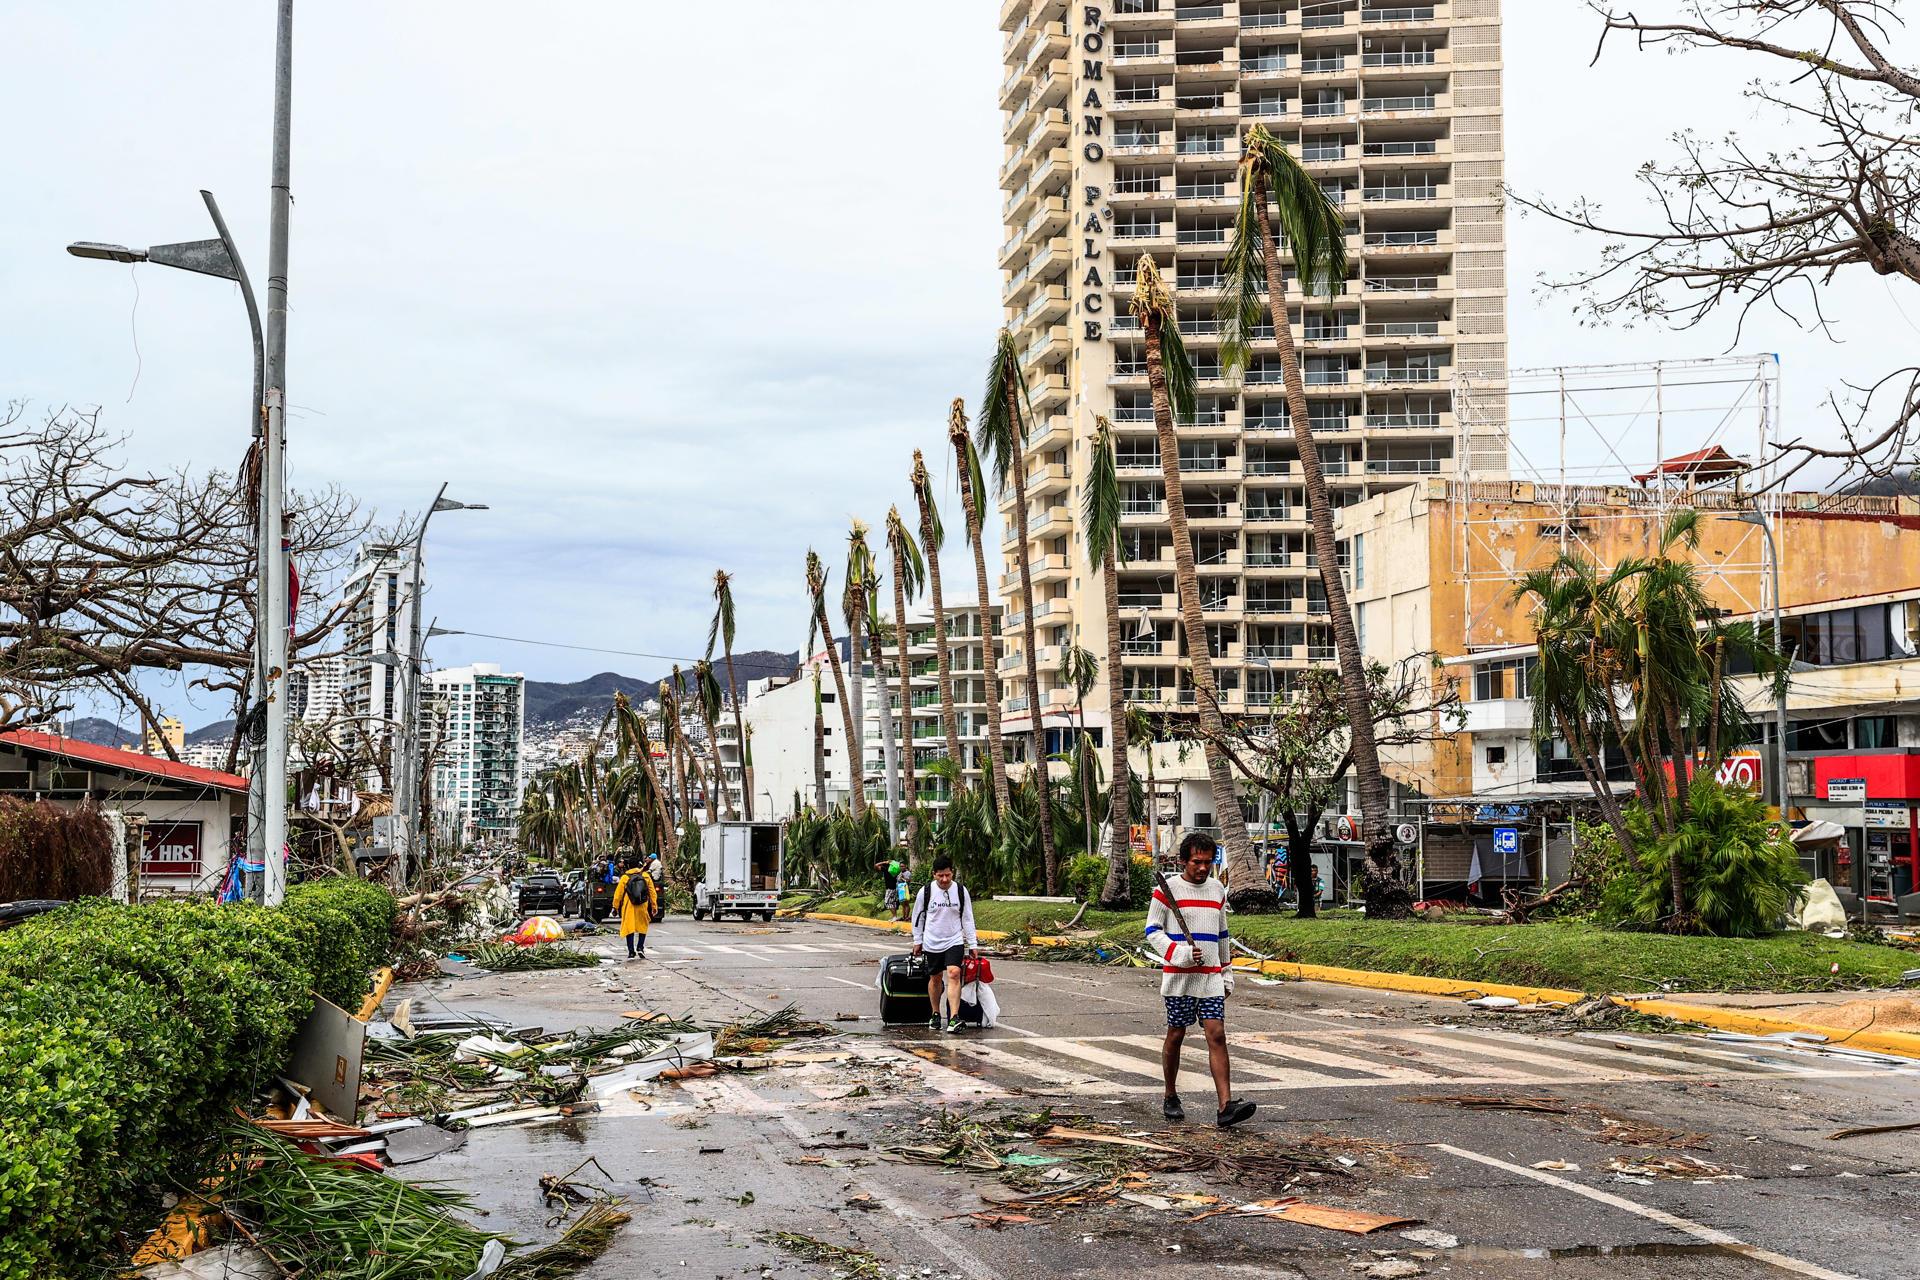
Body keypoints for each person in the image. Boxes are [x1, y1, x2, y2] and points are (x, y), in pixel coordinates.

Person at [1146, 832, 1254, 1129]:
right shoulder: (1166, 890)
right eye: (1197, 862)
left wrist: (1227, 972)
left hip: (1210, 979)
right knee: (1177, 1034)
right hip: (1180, 978)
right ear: (1183, 860)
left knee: (1217, 1035)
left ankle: (1225, 1106)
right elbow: (1153, 931)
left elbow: (1222, 935)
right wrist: (1179, 953)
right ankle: (1170, 1094)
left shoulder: (1217, 890)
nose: (1203, 868)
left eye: (1208, 862)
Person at [910, 855, 977, 1035]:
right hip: (932, 941)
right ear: (934, 875)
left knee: (954, 973)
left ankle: (954, 1017)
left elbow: (968, 918)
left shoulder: (961, 891)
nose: (945, 879)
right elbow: (918, 917)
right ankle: (935, 1013)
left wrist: (973, 943)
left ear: (952, 873)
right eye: (941, 876)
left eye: (948, 875)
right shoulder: (925, 892)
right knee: (936, 978)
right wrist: (918, 940)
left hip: (954, 940)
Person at [612, 859, 658, 960]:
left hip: (629, 906)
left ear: (628, 866)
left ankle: (631, 952)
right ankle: (640, 947)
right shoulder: (645, 876)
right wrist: (654, 906)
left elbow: (618, 894)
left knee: (629, 928)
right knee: (643, 926)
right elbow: (652, 892)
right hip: (642, 905)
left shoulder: (625, 877)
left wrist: (615, 907)